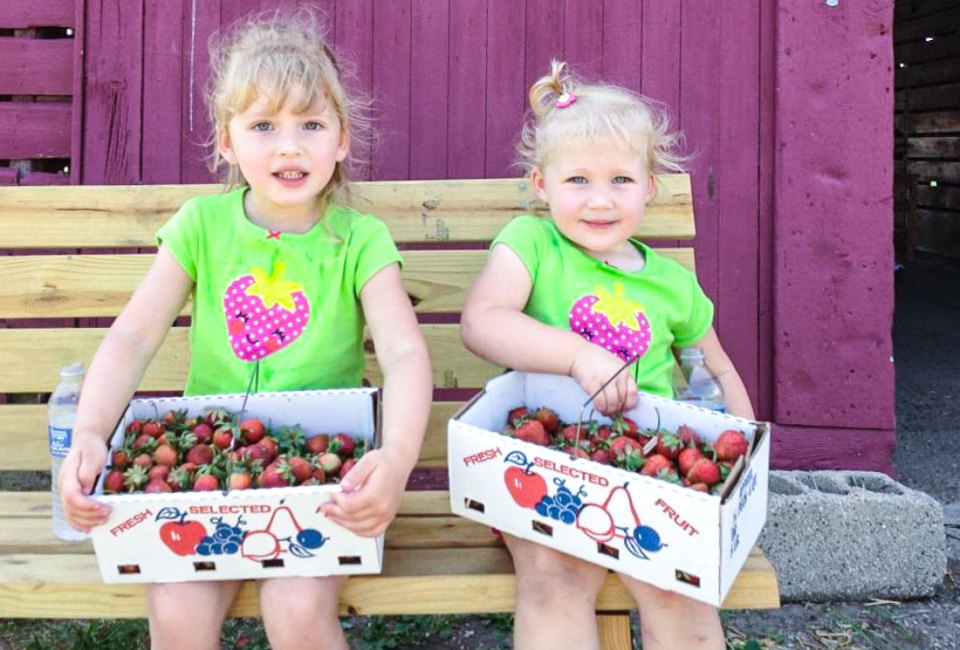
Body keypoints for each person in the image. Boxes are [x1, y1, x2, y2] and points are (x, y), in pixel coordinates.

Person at [58, 9, 432, 650]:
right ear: (227, 143)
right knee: (176, 611)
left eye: (311, 125)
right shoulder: (201, 227)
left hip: (322, 469)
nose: (289, 146)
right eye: (264, 126)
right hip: (211, 460)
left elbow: (402, 354)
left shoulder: (359, 239)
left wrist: (394, 460)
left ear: (341, 140)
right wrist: (91, 431)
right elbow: (133, 337)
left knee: (295, 610)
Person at [460, 60, 755, 650]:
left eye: (620, 180)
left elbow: (713, 368)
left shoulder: (672, 284)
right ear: (542, 186)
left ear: (648, 186)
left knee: (678, 588)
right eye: (578, 182)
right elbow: (483, 321)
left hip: (650, 470)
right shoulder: (532, 245)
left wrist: (741, 455)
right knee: (555, 578)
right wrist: (577, 357)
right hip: (544, 467)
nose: (600, 200)